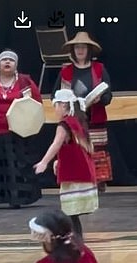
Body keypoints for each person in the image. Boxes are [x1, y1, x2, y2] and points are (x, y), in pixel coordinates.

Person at [0, 49, 42, 210]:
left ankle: (16, 198)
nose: (7, 62)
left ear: (16, 64)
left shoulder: (25, 83)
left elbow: (37, 103)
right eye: (4, 60)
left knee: (15, 166)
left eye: (11, 60)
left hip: (16, 132)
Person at [53, 31, 113, 192]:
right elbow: (55, 95)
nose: (80, 50)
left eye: (83, 47)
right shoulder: (66, 71)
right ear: (73, 50)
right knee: (77, 150)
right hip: (74, 120)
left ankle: (99, 182)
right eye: (77, 47)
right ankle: (80, 180)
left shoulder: (99, 69)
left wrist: (99, 99)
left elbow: (108, 93)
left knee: (97, 149)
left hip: (95, 118)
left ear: (89, 50)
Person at [34, 89, 98, 238]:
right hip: (83, 172)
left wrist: (44, 162)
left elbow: (56, 144)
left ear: (63, 105)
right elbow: (78, 147)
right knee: (72, 214)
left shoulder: (64, 124)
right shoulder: (77, 121)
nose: (55, 109)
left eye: (55, 105)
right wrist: (59, 161)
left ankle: (76, 242)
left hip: (74, 175)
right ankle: (77, 241)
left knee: (70, 213)